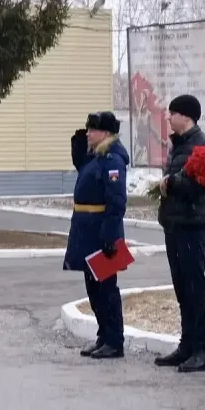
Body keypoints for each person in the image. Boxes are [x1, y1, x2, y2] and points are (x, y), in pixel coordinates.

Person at [153, 94, 205, 373]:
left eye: (173, 113)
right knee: (182, 287)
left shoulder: (204, 145)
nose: (168, 118)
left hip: (194, 227)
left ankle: (203, 349)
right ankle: (187, 344)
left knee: (197, 288)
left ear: (187, 116)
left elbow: (203, 186)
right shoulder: (178, 146)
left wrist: (172, 182)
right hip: (175, 224)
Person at [66, 111, 130, 359]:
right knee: (93, 288)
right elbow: (81, 164)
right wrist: (80, 141)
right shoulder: (96, 156)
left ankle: (114, 340)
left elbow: (116, 201)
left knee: (106, 289)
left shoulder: (112, 159)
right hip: (86, 228)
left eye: (93, 130)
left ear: (105, 134)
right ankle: (104, 335)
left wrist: (110, 235)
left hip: (101, 229)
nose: (89, 134)